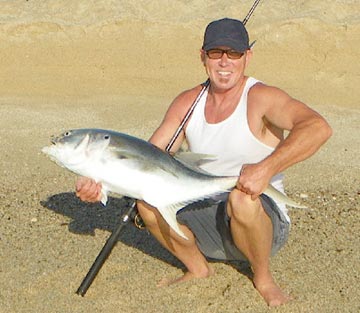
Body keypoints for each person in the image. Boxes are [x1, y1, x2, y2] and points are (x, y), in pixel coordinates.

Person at [75, 18, 332, 306]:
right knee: (147, 202)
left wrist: (266, 169)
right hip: (204, 210)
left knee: (243, 199)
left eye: (233, 53)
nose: (224, 62)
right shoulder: (187, 103)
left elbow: (317, 127)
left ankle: (263, 278)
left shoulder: (261, 97)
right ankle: (198, 268)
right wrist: (101, 184)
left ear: (247, 57)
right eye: (215, 53)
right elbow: (144, 157)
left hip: (262, 222)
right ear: (203, 57)